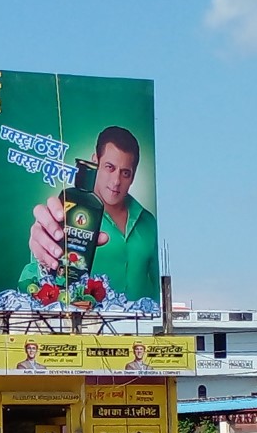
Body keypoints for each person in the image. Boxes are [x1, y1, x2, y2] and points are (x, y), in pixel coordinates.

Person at [20, 126, 159, 302]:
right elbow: (34, 283)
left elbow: (158, 288)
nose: (116, 181)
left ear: (133, 176)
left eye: (125, 173)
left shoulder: (149, 222)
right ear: (95, 162)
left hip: (142, 327)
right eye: (109, 167)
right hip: (85, 326)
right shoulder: (66, 212)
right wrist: (44, 264)